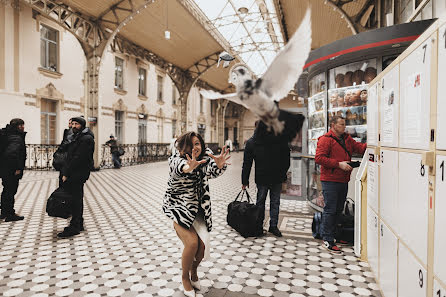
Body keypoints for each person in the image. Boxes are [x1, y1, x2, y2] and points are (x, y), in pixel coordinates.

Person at [162, 132, 230, 297]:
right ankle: (185, 278)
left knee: (202, 248)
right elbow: (180, 168)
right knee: (192, 244)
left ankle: (193, 271)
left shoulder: (204, 159)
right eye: (191, 144)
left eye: (198, 143)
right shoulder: (176, 160)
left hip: (199, 213)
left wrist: (220, 165)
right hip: (179, 210)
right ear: (183, 147)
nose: (195, 147)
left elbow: (213, 170)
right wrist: (188, 167)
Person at [315, 115, 366, 253]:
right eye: (342, 124)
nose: (344, 127)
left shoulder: (347, 139)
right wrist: (339, 165)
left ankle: (334, 234)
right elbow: (319, 158)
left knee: (338, 210)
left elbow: (360, 148)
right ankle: (327, 239)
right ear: (333, 125)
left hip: (343, 180)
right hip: (330, 180)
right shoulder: (325, 140)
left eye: (345, 124)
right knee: (330, 210)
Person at [241, 120, 291, 237]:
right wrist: (244, 180)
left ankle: (273, 226)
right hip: (263, 178)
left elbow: (286, 158)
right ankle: (258, 226)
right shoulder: (252, 142)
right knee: (261, 202)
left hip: (276, 177)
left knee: (274, 202)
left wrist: (282, 172)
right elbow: (247, 163)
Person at [58, 117, 95, 238]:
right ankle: (78, 223)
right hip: (74, 172)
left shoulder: (86, 139)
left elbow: (78, 158)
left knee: (75, 199)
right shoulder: (76, 137)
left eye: (76, 124)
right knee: (76, 199)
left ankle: (74, 226)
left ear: (82, 125)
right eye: (72, 123)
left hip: (77, 173)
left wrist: (66, 173)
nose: (73, 126)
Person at [0, 118, 27, 222]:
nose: (23, 127)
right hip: (11, 169)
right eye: (22, 125)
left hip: (4, 168)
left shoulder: (6, 134)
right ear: (18, 126)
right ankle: (10, 214)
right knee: (10, 191)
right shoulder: (16, 137)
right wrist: (17, 168)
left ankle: (4, 212)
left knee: (6, 190)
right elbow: (12, 154)